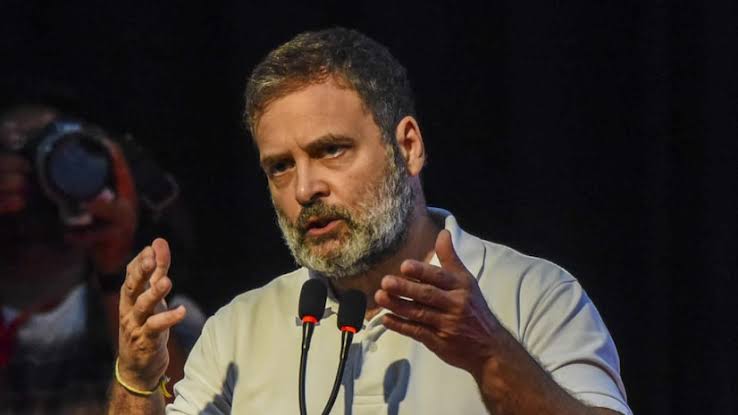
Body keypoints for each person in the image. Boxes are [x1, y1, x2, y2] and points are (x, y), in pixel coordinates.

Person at [108, 28, 632, 414]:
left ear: (408, 146)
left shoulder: (533, 296)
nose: (305, 189)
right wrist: (136, 378)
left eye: (331, 150)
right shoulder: (238, 330)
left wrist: (489, 355)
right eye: (281, 166)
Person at [0, 96, 206, 413]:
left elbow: (182, 408)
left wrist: (117, 269)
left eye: (58, 153)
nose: (35, 184)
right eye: (10, 159)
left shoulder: (170, 319)